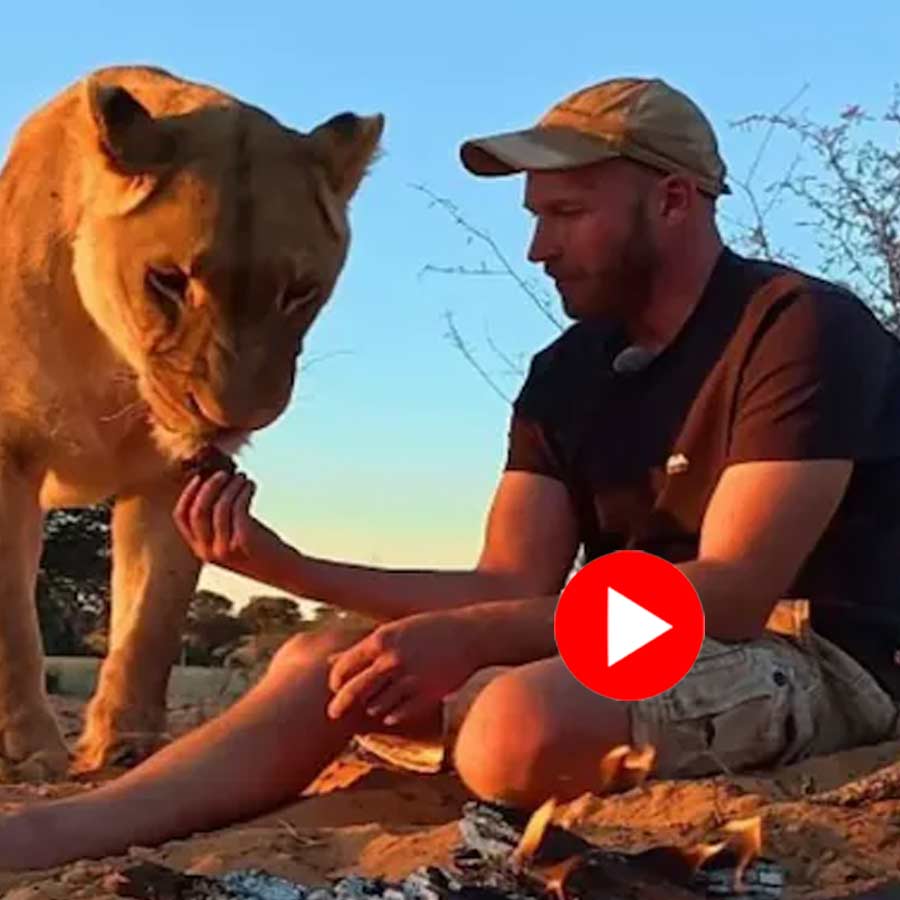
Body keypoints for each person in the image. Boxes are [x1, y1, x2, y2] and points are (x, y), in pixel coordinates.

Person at [2, 75, 900, 870]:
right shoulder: (569, 371)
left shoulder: (796, 329)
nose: (538, 249)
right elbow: (506, 582)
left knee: (516, 721)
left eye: (567, 215)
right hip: (626, 641)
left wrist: (472, 642)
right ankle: (60, 832)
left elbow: (734, 595)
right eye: (535, 216)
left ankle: (491, 735)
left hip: (803, 649)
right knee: (329, 661)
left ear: (672, 201)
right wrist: (279, 566)